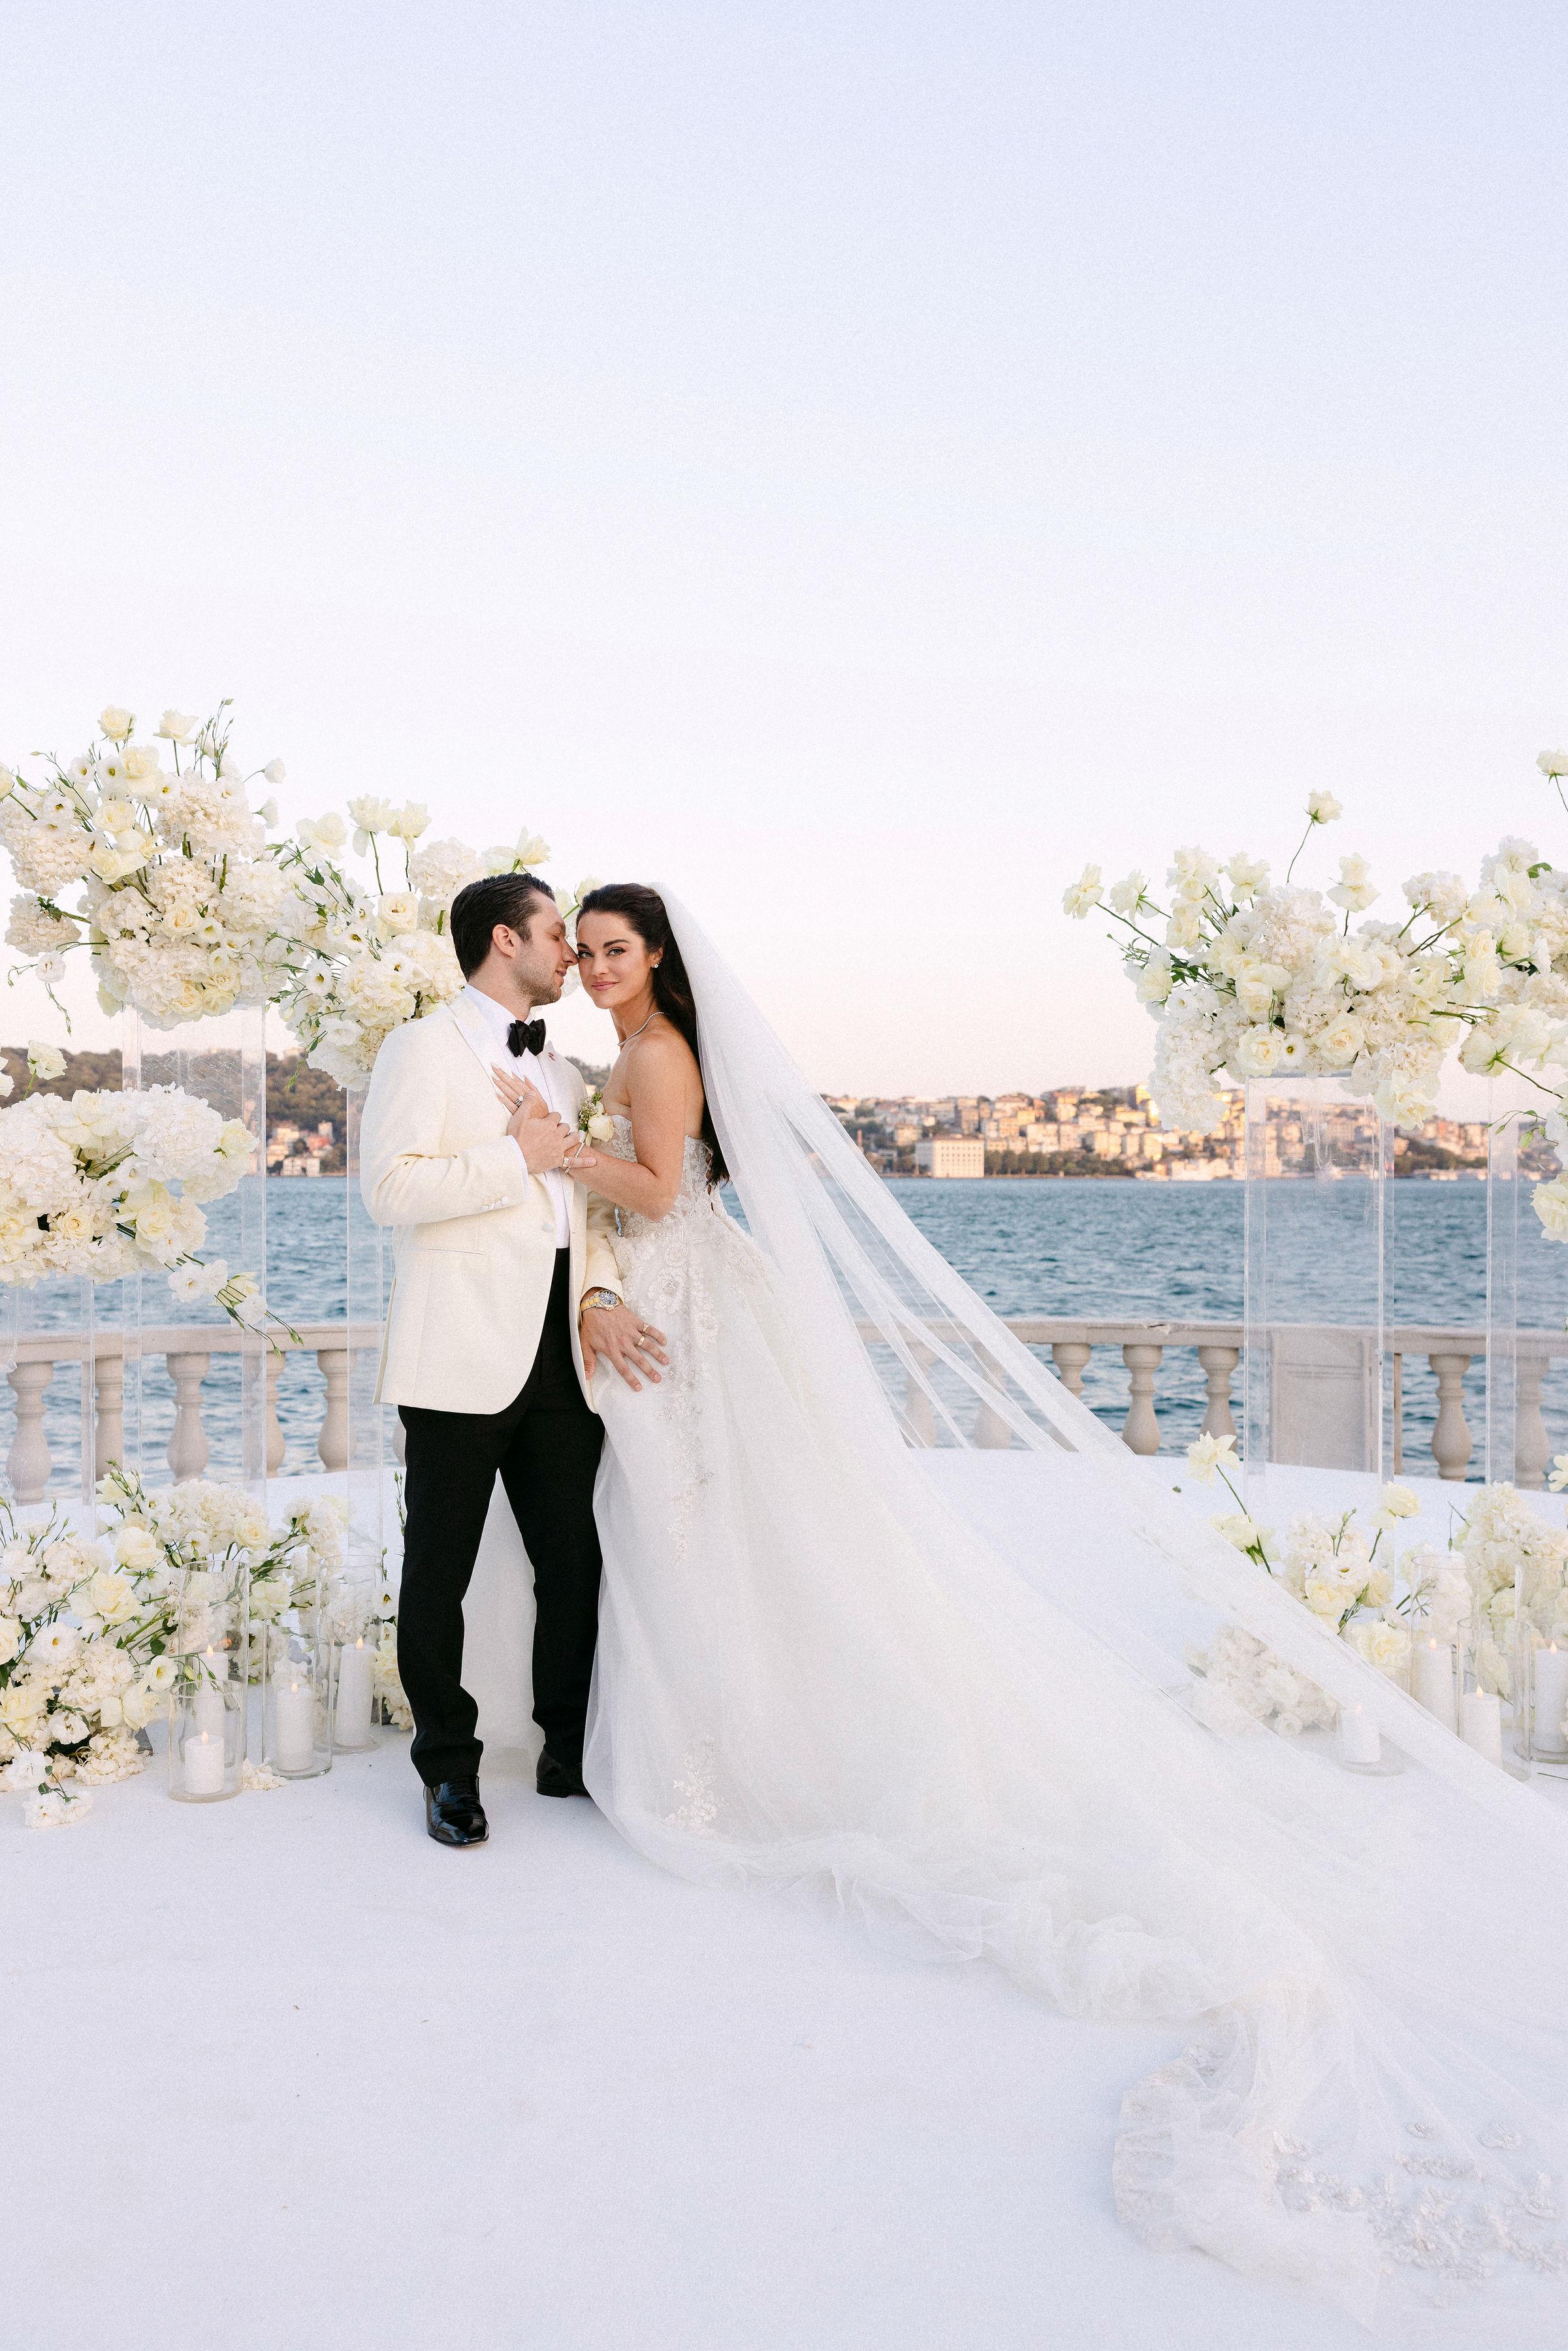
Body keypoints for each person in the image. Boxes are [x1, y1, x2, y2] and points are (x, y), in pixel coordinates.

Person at [483, 880, 1568, 2339]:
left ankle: (748, 1744)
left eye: (619, 950)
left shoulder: (659, 1053)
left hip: (695, 1305)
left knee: (714, 1525)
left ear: (659, 956)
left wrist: (556, 1152)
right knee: (701, 1528)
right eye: (590, 951)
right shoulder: (629, 1051)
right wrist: (582, 1218)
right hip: (668, 1302)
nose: (601, 968)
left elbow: (665, 1191)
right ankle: (732, 1722)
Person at [359, 871, 667, 1848]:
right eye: (556, 936)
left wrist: (600, 1294)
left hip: (562, 1355)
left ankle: (567, 1751)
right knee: (437, 1573)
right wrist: (516, 1158)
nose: (572, 955)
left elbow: (587, 1215)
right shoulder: (421, 1047)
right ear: (505, 940)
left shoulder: (565, 1074)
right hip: (458, 1350)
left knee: (574, 1562)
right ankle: (448, 1771)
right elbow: (389, 1191)